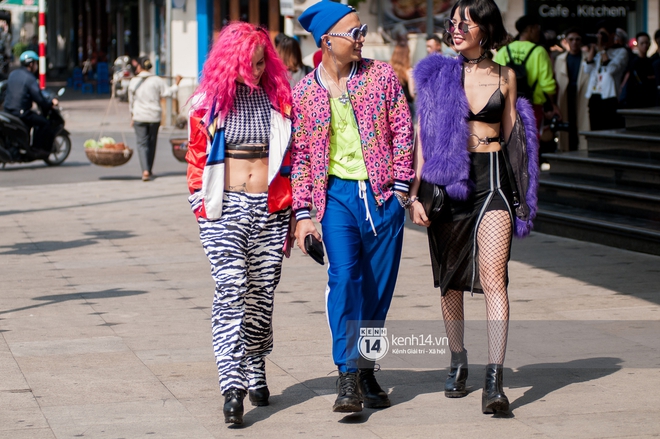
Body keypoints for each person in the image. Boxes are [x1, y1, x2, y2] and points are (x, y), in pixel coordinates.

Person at [411, 0, 539, 415]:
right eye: (453, 22)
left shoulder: (506, 76)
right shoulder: (437, 74)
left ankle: (494, 380)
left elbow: (515, 140)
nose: (456, 28)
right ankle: (457, 358)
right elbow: (421, 135)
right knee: (450, 281)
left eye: (464, 22)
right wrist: (415, 193)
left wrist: (524, 197)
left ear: (485, 28)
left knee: (493, 278)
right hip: (448, 182)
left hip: (493, 181)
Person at [292, 0, 414, 413]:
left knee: (378, 293)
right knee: (345, 279)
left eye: (362, 31)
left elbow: (402, 130)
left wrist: (399, 191)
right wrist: (304, 214)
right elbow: (304, 158)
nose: (362, 39)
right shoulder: (305, 92)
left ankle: (367, 370)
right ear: (328, 41)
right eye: (354, 33)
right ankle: (347, 375)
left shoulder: (380, 76)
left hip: (383, 198)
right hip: (337, 198)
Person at [185, 22, 294, 425]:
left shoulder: (279, 100)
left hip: (270, 209)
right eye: (249, 63)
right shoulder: (207, 103)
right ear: (230, 61)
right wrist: (201, 203)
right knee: (231, 290)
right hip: (224, 209)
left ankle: (255, 362)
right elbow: (197, 159)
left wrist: (297, 213)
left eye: (263, 62)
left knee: (262, 296)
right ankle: (232, 386)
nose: (257, 70)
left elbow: (292, 157)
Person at [494, 14, 559, 131]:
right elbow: (547, 84)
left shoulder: (504, 51)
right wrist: (552, 105)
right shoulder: (539, 51)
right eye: (537, 28)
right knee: (531, 143)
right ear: (531, 29)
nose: (539, 32)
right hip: (533, 106)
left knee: (510, 142)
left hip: (507, 106)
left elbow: (493, 79)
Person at [128, 56, 181, 181]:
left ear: (140, 66)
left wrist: (132, 116)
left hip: (139, 116)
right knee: (152, 144)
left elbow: (131, 102)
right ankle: (149, 170)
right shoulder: (156, 80)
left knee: (142, 144)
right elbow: (168, 93)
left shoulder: (134, 81)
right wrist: (177, 83)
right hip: (154, 116)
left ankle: (145, 171)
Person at [3, 50, 58, 159]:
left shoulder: (13, 74)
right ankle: (37, 149)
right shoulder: (30, 78)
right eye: (36, 63)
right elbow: (39, 98)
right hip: (21, 112)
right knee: (44, 123)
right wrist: (50, 103)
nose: (36, 66)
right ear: (31, 64)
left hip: (8, 110)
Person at [583, 21, 629, 131]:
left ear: (612, 35)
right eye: (598, 35)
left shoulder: (621, 51)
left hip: (609, 97)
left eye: (603, 35)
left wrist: (602, 50)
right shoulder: (598, 53)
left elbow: (610, 70)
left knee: (609, 129)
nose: (600, 38)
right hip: (594, 96)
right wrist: (593, 49)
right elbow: (587, 69)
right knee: (595, 129)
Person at [554, 27, 590, 151]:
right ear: (566, 41)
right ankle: (565, 150)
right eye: (571, 39)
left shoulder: (588, 57)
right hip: (566, 95)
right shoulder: (560, 59)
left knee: (583, 123)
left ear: (581, 41)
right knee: (565, 125)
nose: (574, 42)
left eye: (577, 39)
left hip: (582, 95)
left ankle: (583, 150)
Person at [620, 32, 657, 109]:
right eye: (642, 43)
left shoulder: (652, 61)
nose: (645, 46)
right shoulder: (633, 63)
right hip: (636, 99)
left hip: (650, 98)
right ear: (638, 44)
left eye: (646, 43)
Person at [390, 40, 415, 119]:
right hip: (407, 107)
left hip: (392, 106)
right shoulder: (409, 72)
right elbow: (412, 93)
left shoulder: (389, 71)